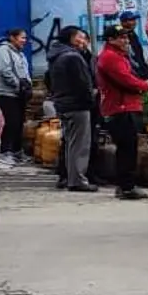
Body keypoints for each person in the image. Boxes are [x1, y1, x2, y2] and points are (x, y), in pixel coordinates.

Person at [96, 24, 148, 200]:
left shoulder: (118, 56)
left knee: (127, 148)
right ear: (111, 40)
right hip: (121, 108)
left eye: (126, 37)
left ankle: (125, 185)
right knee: (127, 149)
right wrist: (146, 85)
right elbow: (126, 80)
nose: (125, 40)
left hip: (125, 106)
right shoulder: (110, 57)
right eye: (121, 37)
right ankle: (127, 186)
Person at [47, 26, 97, 192]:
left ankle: (71, 177)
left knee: (70, 142)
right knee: (80, 144)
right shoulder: (73, 57)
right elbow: (83, 84)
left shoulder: (56, 56)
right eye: (80, 37)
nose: (83, 41)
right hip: (77, 105)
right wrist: (91, 99)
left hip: (63, 103)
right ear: (71, 38)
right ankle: (77, 180)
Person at [0, 28, 32, 166]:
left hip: (19, 94)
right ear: (12, 38)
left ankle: (16, 151)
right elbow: (5, 71)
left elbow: (25, 72)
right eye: (22, 38)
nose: (24, 41)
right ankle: (5, 152)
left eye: (25, 38)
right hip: (6, 93)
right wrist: (18, 86)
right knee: (12, 122)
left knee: (19, 122)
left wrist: (28, 86)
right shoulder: (3, 51)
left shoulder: (20, 54)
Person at [118, 10, 148, 79]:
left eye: (134, 20)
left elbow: (139, 54)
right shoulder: (121, 36)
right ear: (123, 22)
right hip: (132, 71)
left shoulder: (133, 34)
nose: (134, 22)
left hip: (140, 68)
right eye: (131, 20)